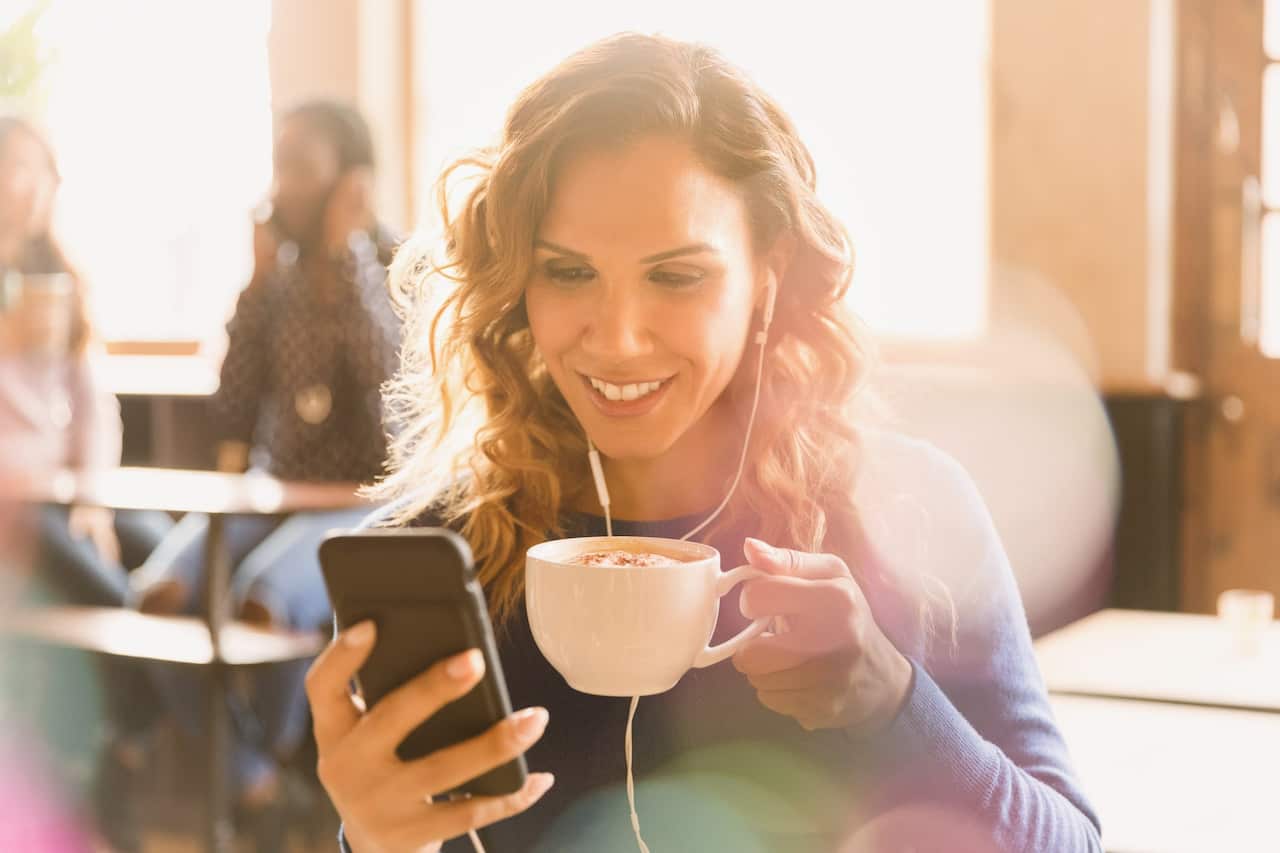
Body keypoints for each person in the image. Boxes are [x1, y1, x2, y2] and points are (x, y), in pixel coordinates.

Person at [305, 34, 1103, 852]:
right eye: (570, 272)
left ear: (768, 276)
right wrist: (372, 840)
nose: (615, 340)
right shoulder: (440, 554)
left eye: (677, 276)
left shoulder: (912, 516)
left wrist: (892, 701)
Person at [132, 100, 401, 844]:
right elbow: (232, 404)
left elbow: (394, 407)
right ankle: (251, 773)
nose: (281, 185)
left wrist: (346, 258)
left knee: (266, 598)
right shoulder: (275, 279)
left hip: (362, 501)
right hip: (273, 486)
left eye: (300, 167)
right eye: (277, 164)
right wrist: (254, 284)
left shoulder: (390, 262)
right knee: (154, 592)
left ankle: (278, 763)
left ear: (350, 179)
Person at [0, 115, 175, 852]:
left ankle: (119, 743)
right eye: (11, 169)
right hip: (11, 502)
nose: (21, 186)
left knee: (170, 560)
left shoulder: (58, 279)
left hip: (67, 490)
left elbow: (93, 402)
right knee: (111, 597)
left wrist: (94, 497)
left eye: (35, 172)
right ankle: (127, 744)